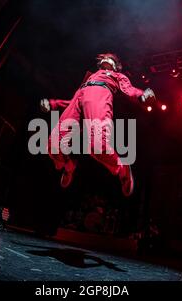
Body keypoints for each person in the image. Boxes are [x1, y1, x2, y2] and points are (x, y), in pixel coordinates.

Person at [40, 53, 155, 197]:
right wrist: (53, 104)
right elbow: (73, 100)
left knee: (97, 146)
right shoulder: (90, 77)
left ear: (115, 65)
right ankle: (69, 166)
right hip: (80, 97)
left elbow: (128, 89)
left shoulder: (117, 76)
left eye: (110, 58)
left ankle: (121, 167)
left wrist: (142, 95)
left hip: (100, 96)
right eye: (104, 58)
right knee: (53, 143)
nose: (106, 59)